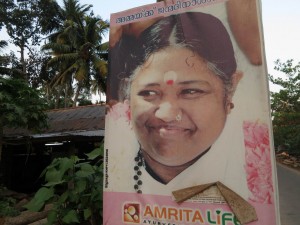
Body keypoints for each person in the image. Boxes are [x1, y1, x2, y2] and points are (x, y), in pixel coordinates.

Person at [107, 11, 244, 195]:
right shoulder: (115, 169)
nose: (167, 114)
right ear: (127, 93)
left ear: (231, 89)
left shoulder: (249, 178)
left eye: (190, 91)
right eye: (149, 92)